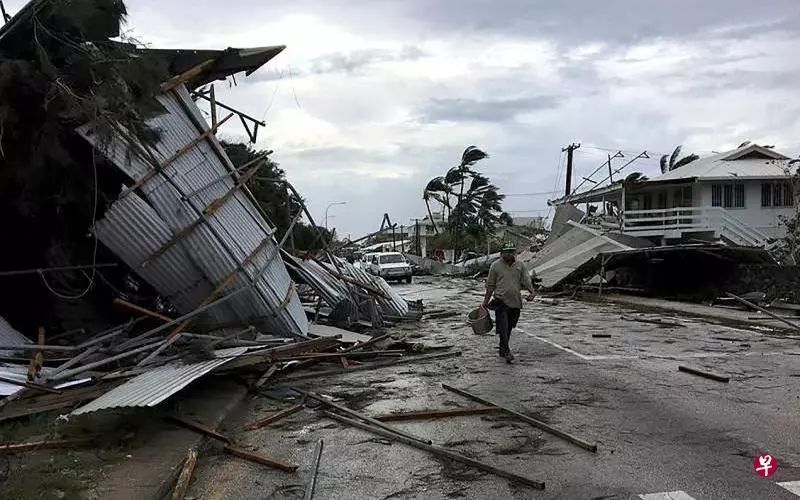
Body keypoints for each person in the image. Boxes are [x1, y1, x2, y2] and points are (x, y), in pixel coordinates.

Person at [480, 242, 535, 363]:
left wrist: (532, 292)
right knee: (503, 327)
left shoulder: (520, 265)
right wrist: (485, 302)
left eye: (511, 252)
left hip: (515, 301)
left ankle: (502, 347)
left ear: (514, 253)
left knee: (509, 326)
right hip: (500, 301)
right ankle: (506, 351)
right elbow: (490, 285)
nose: (509, 254)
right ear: (502, 253)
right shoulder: (495, 266)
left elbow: (526, 280)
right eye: (506, 252)